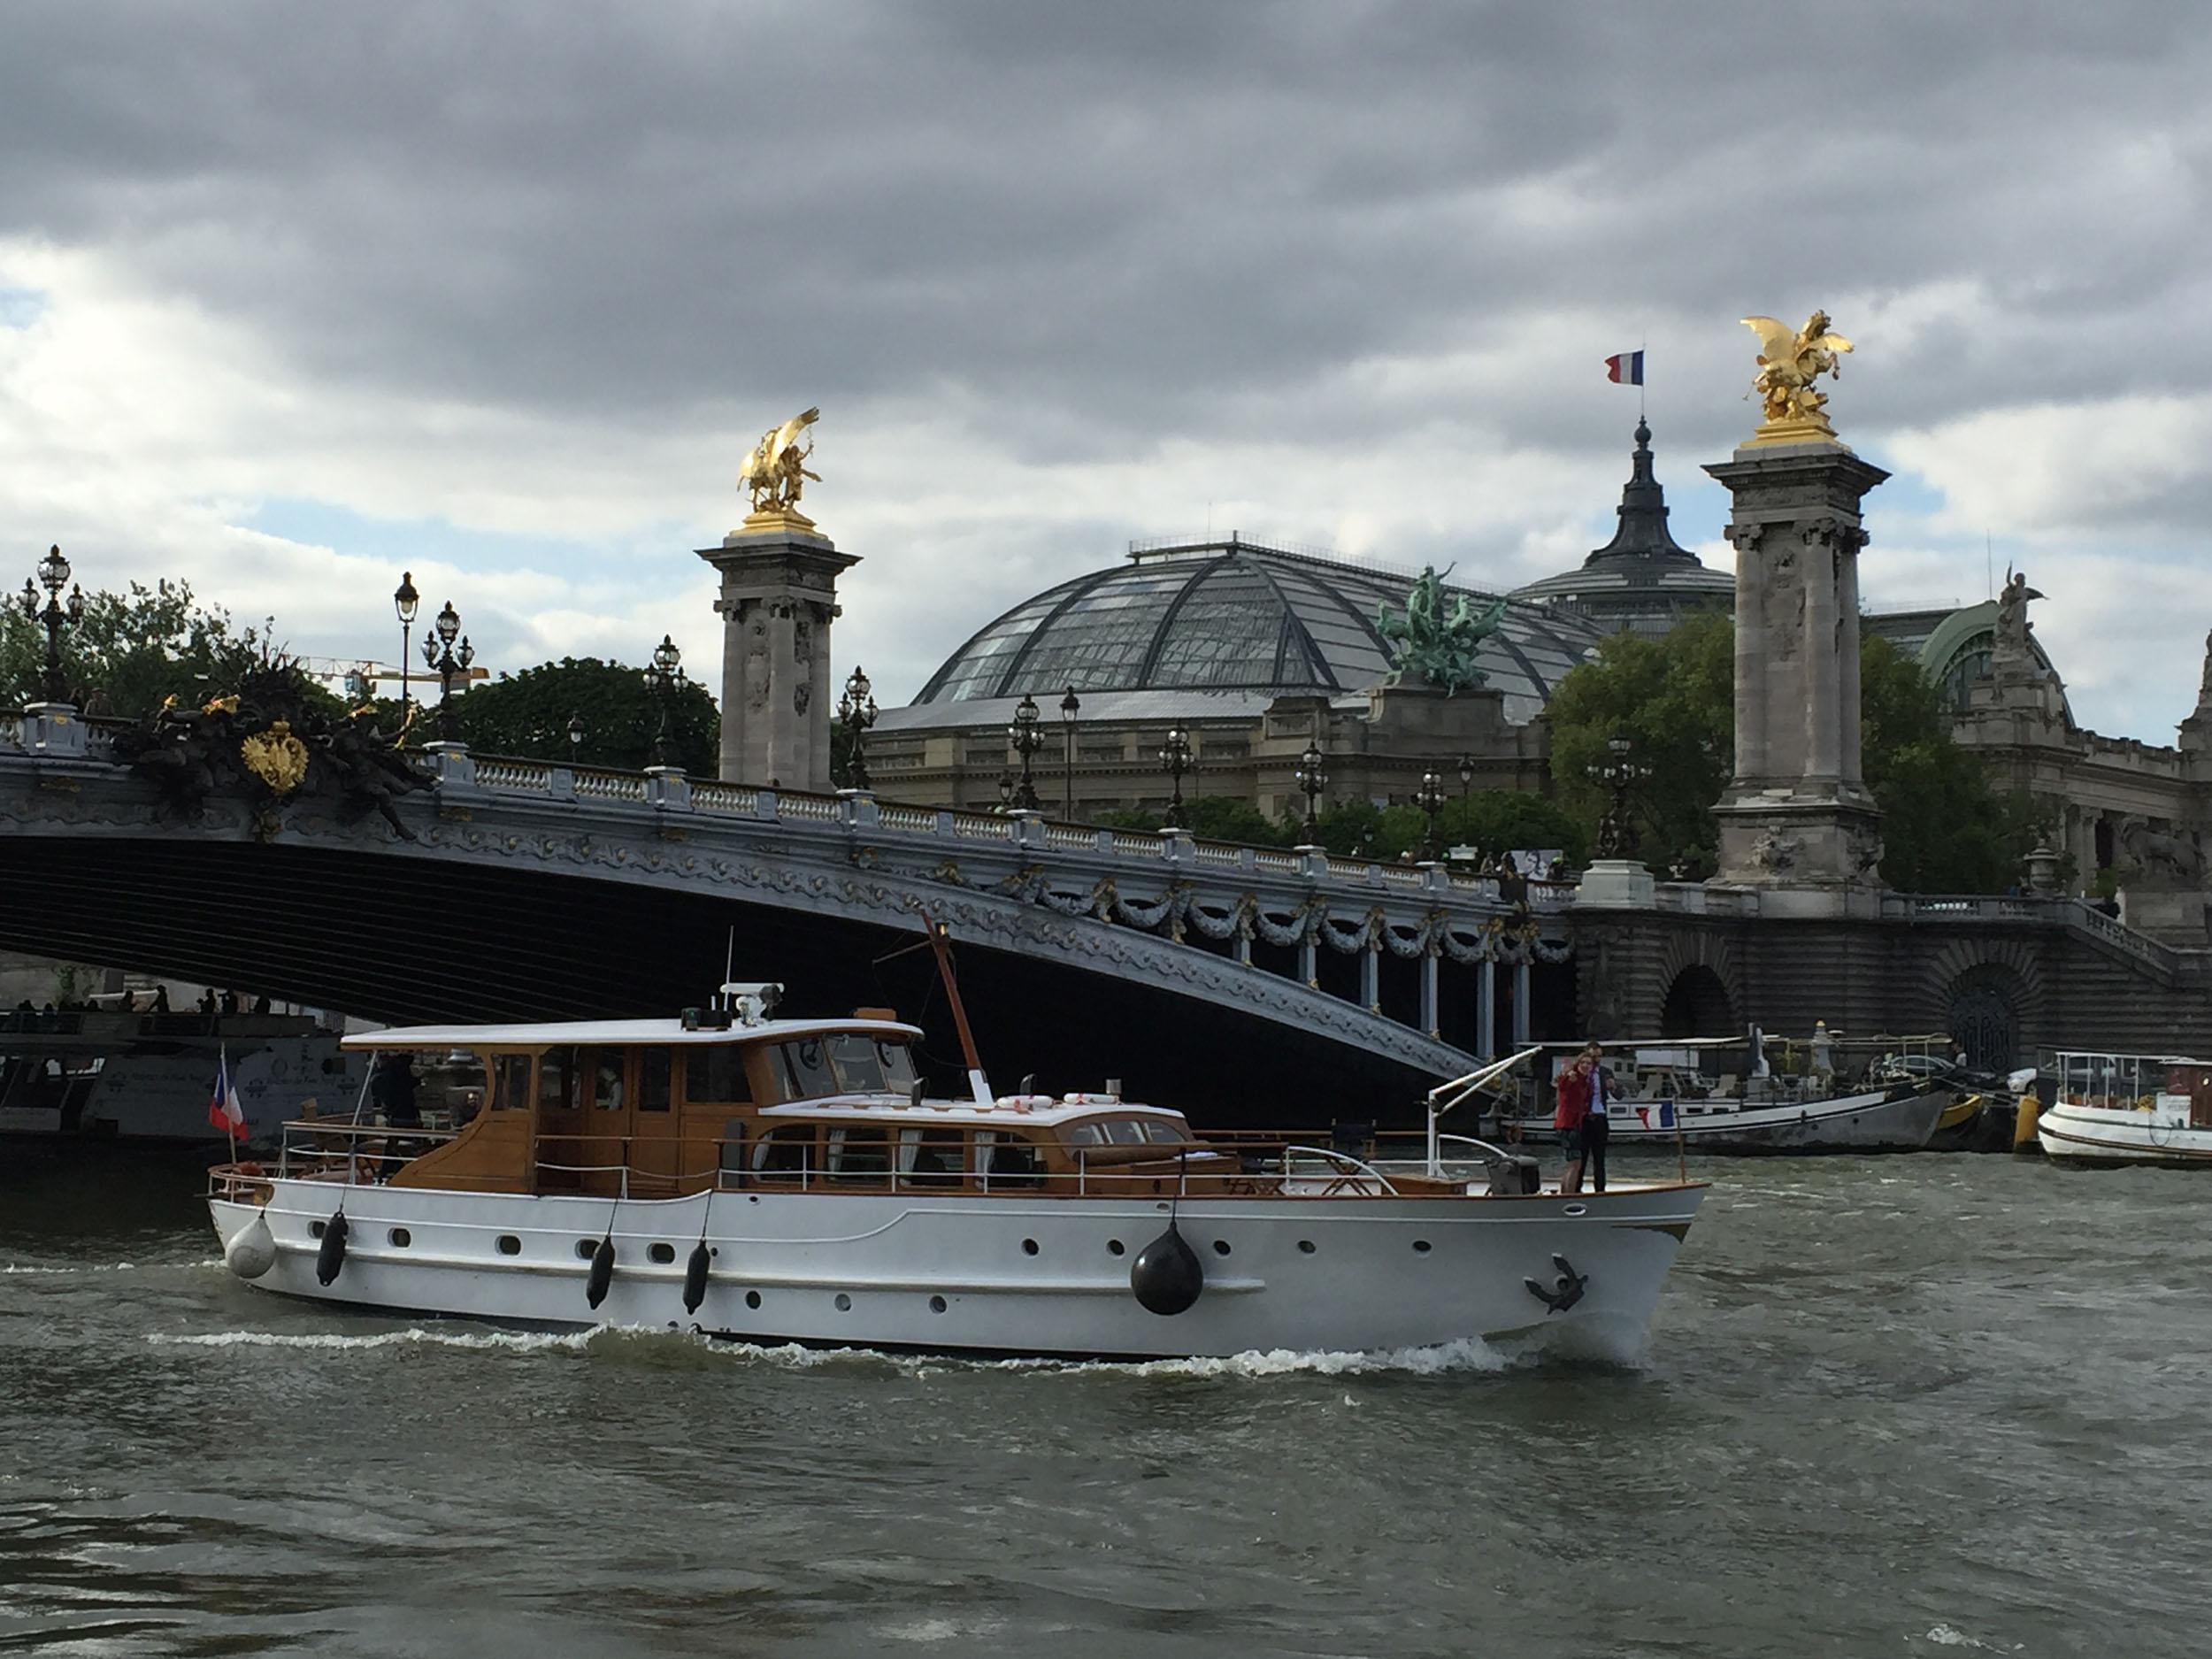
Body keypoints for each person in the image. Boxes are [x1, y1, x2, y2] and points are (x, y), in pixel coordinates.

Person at [371, 1051, 422, 1180]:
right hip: (408, 1115)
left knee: (394, 1143)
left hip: (396, 1116)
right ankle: (395, 1169)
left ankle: (386, 1171)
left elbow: (377, 1090)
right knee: (398, 1144)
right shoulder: (403, 1075)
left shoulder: (384, 1077)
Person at [1554, 1052, 1593, 1194]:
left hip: (1573, 1125)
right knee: (1575, 1163)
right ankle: (1568, 1194)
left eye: (1589, 1063)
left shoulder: (1583, 1081)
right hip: (1568, 1125)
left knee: (1573, 1163)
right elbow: (1562, 1087)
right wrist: (1566, 1076)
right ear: (1578, 1063)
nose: (1586, 1066)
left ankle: (1566, 1191)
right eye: (1583, 1063)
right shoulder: (1572, 1078)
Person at [1579, 1043, 1611, 1194]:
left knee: (1600, 1159)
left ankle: (1600, 1190)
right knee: (1581, 1158)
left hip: (1599, 1117)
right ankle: (1576, 1189)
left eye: (1599, 1056)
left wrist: (1613, 1086)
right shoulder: (1580, 1072)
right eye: (1594, 1056)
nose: (1597, 1059)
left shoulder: (1605, 1072)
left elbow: (1617, 1095)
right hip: (1583, 1119)